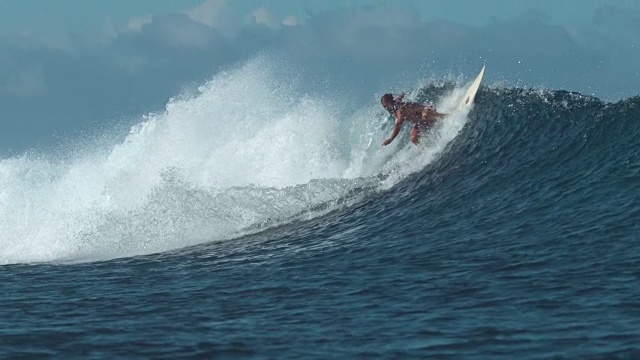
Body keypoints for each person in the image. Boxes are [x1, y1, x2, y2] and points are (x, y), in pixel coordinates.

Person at [381, 93, 447, 146]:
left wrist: (391, 139)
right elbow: (399, 98)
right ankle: (427, 148)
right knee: (414, 138)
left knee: (425, 116)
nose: (385, 107)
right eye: (384, 106)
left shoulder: (399, 110)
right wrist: (401, 95)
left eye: (386, 105)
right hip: (420, 121)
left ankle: (447, 116)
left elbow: (398, 124)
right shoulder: (393, 108)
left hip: (426, 110)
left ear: (390, 102)